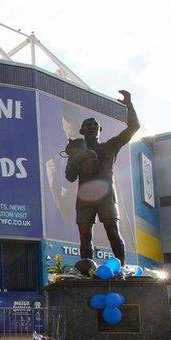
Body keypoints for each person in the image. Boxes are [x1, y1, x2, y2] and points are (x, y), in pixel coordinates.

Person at [65, 90, 139, 265]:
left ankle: (121, 267)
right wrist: (73, 158)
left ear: (100, 129)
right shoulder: (76, 150)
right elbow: (69, 177)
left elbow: (133, 127)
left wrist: (128, 103)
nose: (91, 127)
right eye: (87, 125)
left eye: (94, 125)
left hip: (106, 196)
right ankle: (86, 269)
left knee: (113, 231)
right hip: (85, 199)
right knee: (84, 236)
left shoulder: (110, 147)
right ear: (81, 131)